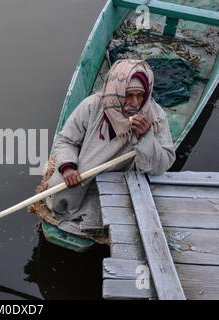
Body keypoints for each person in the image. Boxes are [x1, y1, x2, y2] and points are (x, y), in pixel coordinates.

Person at [47, 59, 175, 235]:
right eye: (129, 95)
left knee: (121, 212)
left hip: (123, 176)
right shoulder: (93, 105)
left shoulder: (155, 116)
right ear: (117, 91)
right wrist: (68, 167)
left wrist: (145, 137)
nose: (136, 103)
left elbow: (162, 164)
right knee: (59, 187)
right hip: (85, 173)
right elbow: (66, 140)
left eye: (140, 95)